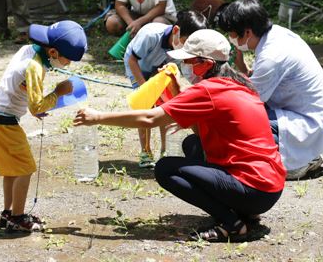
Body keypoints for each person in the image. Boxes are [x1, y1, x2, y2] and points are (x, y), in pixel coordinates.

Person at [75, 30, 285, 243]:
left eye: (189, 61)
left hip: (254, 188)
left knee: (166, 169)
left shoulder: (208, 90)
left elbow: (150, 118)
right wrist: (177, 91)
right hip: (270, 185)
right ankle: (246, 213)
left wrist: (98, 117)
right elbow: (199, 131)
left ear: (205, 64)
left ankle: (233, 224)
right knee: (193, 144)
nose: (186, 67)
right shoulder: (239, 84)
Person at [218, 0, 323, 180]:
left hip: (308, 122)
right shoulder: (277, 35)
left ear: (247, 32)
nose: (231, 39)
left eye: (231, 34)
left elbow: (249, 102)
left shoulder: (272, 56)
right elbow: (256, 86)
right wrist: (242, 67)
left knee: (240, 126)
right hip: (302, 114)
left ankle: (301, 162)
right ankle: (303, 155)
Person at [0, 20, 87, 232]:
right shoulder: (36, 68)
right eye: (68, 61)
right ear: (54, 52)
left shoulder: (28, 50)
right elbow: (36, 105)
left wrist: (38, 106)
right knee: (26, 169)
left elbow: (23, 90)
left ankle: (8, 213)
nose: (69, 65)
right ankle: (18, 218)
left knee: (12, 170)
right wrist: (58, 92)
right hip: (4, 122)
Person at [124, 10, 207, 168]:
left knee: (165, 106)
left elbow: (185, 72)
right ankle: (145, 152)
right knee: (145, 106)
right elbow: (132, 60)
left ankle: (165, 150)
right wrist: (145, 89)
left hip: (159, 69)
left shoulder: (182, 49)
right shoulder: (150, 35)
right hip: (137, 66)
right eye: (186, 41)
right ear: (176, 31)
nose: (188, 47)